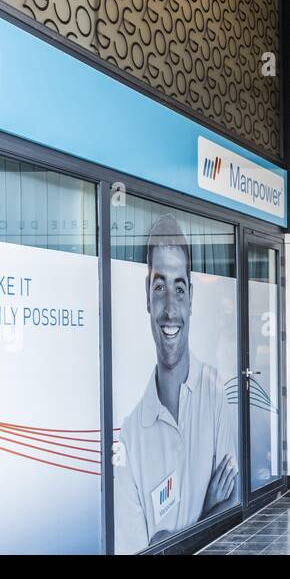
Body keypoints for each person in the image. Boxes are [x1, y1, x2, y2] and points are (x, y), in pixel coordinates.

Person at [114, 215, 237, 553]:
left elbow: (233, 504)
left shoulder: (213, 389)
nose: (170, 308)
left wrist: (171, 537)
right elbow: (140, 550)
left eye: (179, 288)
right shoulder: (130, 435)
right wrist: (206, 512)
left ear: (191, 296)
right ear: (147, 296)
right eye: (159, 287)